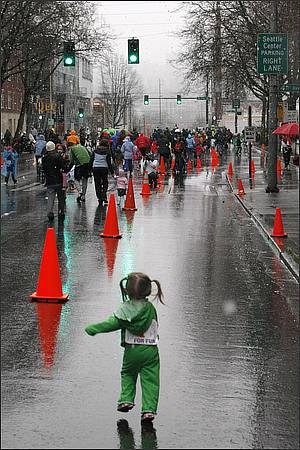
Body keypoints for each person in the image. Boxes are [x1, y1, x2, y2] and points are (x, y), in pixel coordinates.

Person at [85, 272, 164, 423]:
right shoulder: (150, 308)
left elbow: (111, 324)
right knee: (151, 380)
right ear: (147, 290)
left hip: (132, 349)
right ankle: (149, 410)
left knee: (128, 373)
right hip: (151, 351)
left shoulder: (126, 309)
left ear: (127, 291)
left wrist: (94, 328)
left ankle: (126, 400)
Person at [42, 141, 65, 222]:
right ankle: (61, 211)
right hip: (58, 180)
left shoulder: (44, 158)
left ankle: (50, 212)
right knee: (61, 197)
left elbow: (44, 169)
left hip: (49, 181)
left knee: (50, 198)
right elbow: (62, 167)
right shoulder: (58, 156)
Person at [68, 136, 91, 203]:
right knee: (85, 179)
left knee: (76, 179)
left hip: (79, 165)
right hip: (87, 164)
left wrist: (69, 169)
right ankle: (83, 196)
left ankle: (80, 191)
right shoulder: (82, 146)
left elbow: (71, 160)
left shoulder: (72, 149)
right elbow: (90, 153)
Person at [91, 138, 114, 205]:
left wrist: (90, 169)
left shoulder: (95, 151)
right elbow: (109, 163)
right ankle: (104, 194)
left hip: (96, 168)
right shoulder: (107, 151)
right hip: (104, 168)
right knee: (105, 182)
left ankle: (99, 198)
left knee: (97, 183)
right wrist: (112, 171)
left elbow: (91, 160)